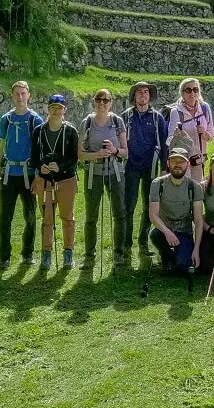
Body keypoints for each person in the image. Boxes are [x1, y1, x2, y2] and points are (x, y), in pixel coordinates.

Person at [0, 81, 44, 270]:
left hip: (29, 174)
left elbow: (39, 150)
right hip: (9, 174)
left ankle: (28, 253)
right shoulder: (6, 119)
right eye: (17, 94)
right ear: (12, 96)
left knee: (30, 216)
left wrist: (38, 176)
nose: (20, 97)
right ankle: (4, 257)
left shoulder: (35, 120)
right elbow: (1, 148)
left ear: (28, 95)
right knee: (5, 217)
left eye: (23, 93)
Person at [81, 89, 129, 269]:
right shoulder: (87, 122)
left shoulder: (117, 122)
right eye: (98, 99)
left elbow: (125, 152)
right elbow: (80, 154)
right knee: (91, 216)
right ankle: (89, 255)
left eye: (105, 100)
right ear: (94, 102)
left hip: (115, 173)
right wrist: (97, 154)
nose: (101, 103)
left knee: (119, 214)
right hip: (94, 173)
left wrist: (114, 151)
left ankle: (118, 253)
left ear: (111, 103)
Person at [31, 94, 79, 271]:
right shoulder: (39, 131)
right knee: (47, 218)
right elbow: (34, 157)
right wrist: (41, 167)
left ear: (65, 109)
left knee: (67, 217)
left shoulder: (71, 131)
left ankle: (68, 252)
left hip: (66, 180)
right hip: (45, 181)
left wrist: (61, 167)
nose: (56, 111)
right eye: (53, 107)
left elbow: (74, 158)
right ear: (47, 109)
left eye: (60, 108)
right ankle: (46, 252)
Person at [122, 81, 168, 257]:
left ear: (149, 96)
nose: (143, 94)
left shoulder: (157, 118)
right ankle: (126, 244)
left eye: (146, 92)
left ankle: (143, 243)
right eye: (139, 92)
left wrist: (164, 168)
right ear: (134, 96)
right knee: (129, 206)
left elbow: (164, 145)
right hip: (130, 166)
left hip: (151, 168)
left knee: (150, 207)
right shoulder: (125, 117)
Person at [148, 147, 205, 274]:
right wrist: (167, 232)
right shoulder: (157, 184)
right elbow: (153, 215)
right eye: (174, 161)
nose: (177, 165)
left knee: (183, 268)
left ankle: (177, 258)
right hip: (164, 232)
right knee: (155, 234)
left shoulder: (194, 187)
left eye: (181, 161)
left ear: (188, 165)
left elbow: (198, 220)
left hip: (184, 232)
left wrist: (196, 249)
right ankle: (166, 256)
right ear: (168, 163)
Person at [167, 78, 214, 182]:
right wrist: (176, 136)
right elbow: (169, 140)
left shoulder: (204, 108)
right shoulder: (176, 112)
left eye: (195, 89)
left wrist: (204, 135)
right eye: (188, 90)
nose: (192, 93)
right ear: (182, 93)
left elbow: (211, 133)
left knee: (197, 189)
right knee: (184, 189)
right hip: (183, 159)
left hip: (199, 158)